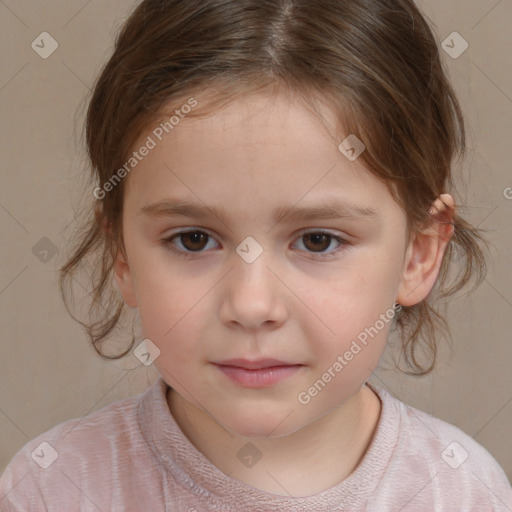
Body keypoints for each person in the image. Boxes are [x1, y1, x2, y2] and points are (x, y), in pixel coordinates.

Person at [1, 0, 511, 510]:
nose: (250, 305)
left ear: (417, 255)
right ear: (123, 253)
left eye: (318, 241)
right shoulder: (52, 488)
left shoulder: (463, 493)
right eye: (193, 239)